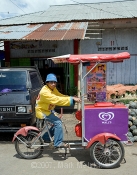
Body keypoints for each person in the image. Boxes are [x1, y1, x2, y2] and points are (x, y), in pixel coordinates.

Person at [35, 73, 81, 148]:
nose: (53, 84)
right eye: (51, 82)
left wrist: (71, 97)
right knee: (58, 123)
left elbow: (60, 96)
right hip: (42, 111)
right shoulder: (45, 92)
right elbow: (57, 100)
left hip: (47, 110)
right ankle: (58, 143)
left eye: (54, 82)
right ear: (47, 83)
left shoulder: (52, 89)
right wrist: (71, 99)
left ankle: (45, 138)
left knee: (54, 124)